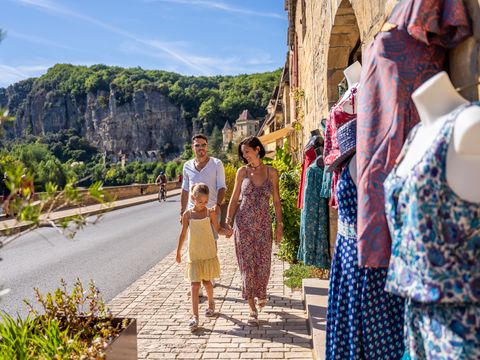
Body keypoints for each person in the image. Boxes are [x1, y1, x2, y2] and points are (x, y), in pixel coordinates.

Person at [225, 136, 283, 324]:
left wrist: (279, 225)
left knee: (263, 264)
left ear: (257, 149)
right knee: (247, 266)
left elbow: (275, 201)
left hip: (264, 225)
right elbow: (234, 199)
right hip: (244, 224)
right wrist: (228, 221)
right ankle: (251, 308)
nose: (245, 156)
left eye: (248, 152)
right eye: (243, 154)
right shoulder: (242, 172)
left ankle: (261, 293)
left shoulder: (272, 173)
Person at [175, 183, 232, 331]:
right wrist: (178, 252)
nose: (203, 204)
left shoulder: (210, 213)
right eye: (200, 202)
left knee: (207, 282)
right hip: (194, 254)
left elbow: (218, 229)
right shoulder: (187, 215)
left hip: (207, 253)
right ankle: (195, 317)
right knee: (194, 286)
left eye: (206, 202)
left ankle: (211, 303)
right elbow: (182, 234)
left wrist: (227, 232)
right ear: (193, 198)